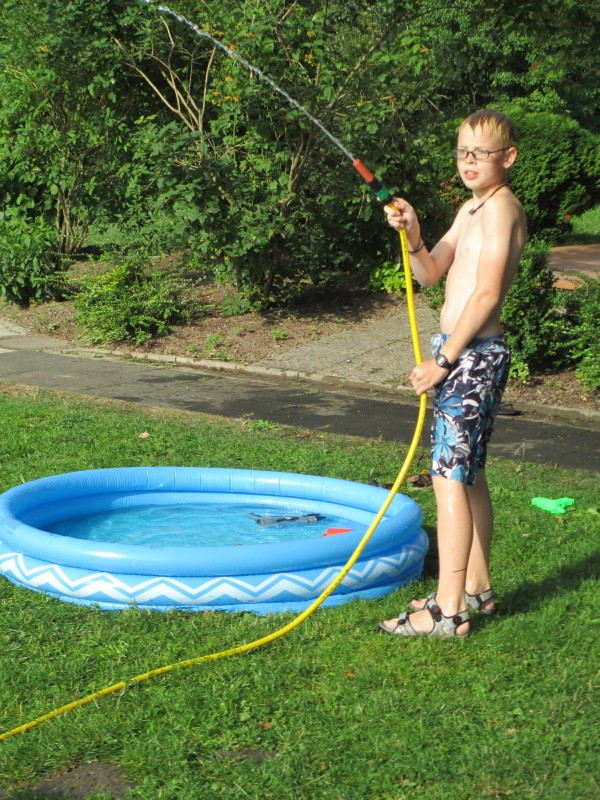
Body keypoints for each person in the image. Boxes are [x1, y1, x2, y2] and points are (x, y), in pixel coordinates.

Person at [379, 109, 527, 638]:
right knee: (470, 473)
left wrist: (442, 363)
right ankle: (476, 586)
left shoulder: (501, 210)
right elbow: (429, 271)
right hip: (465, 353)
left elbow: (486, 294)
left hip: (471, 356)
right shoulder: (471, 209)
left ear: (507, 158)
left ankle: (447, 609)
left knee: (447, 478)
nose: (469, 160)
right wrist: (413, 232)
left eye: (481, 152)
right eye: (463, 151)